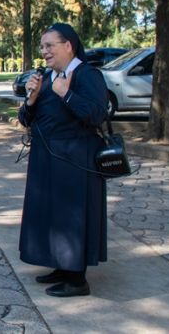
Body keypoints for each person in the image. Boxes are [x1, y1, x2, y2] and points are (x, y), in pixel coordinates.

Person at [18, 22, 108, 297]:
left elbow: (96, 115)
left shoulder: (87, 75)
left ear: (68, 45)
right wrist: (31, 99)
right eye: (42, 47)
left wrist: (65, 94)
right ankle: (61, 266)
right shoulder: (46, 77)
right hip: (47, 159)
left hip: (75, 162)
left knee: (71, 218)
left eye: (49, 46)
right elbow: (25, 120)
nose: (44, 52)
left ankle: (77, 280)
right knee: (51, 216)